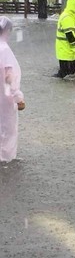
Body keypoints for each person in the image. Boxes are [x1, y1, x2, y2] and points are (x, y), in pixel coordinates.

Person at [0, 16, 25, 163]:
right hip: (5, 98)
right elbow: (9, 78)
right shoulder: (4, 50)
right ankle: (6, 161)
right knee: (8, 131)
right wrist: (18, 98)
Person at [54, 0, 75, 78]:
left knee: (70, 73)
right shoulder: (67, 17)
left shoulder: (72, 16)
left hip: (69, 51)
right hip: (65, 51)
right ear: (73, 6)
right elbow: (70, 36)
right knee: (66, 75)